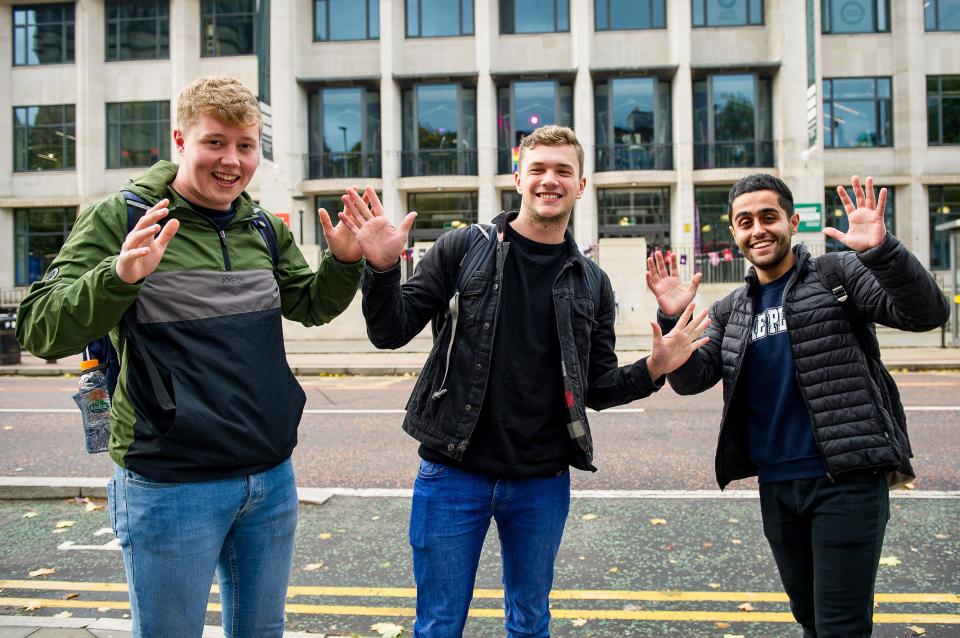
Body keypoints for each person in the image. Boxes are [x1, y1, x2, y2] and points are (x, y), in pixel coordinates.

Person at [16, 75, 364, 637]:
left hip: (268, 475)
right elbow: (39, 329)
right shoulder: (122, 216)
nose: (232, 161)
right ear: (180, 141)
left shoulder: (259, 225)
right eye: (215, 143)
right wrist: (119, 276)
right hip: (171, 484)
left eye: (245, 146)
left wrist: (345, 262)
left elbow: (309, 305)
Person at [333, 124, 711, 637]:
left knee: (530, 623)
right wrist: (380, 270)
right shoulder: (462, 247)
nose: (548, 180)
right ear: (518, 178)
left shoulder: (591, 281)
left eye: (562, 171)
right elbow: (390, 332)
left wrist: (654, 369)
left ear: (581, 185)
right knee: (438, 625)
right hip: (452, 474)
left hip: (541, 481)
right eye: (537, 169)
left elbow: (596, 387)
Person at [646, 174, 948, 638]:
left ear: (792, 220)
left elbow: (927, 314)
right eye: (745, 222)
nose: (758, 230)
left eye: (769, 217)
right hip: (778, 487)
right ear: (734, 233)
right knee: (809, 619)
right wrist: (672, 319)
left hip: (845, 481)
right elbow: (691, 379)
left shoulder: (838, 275)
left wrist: (880, 251)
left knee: (840, 627)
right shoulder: (732, 310)